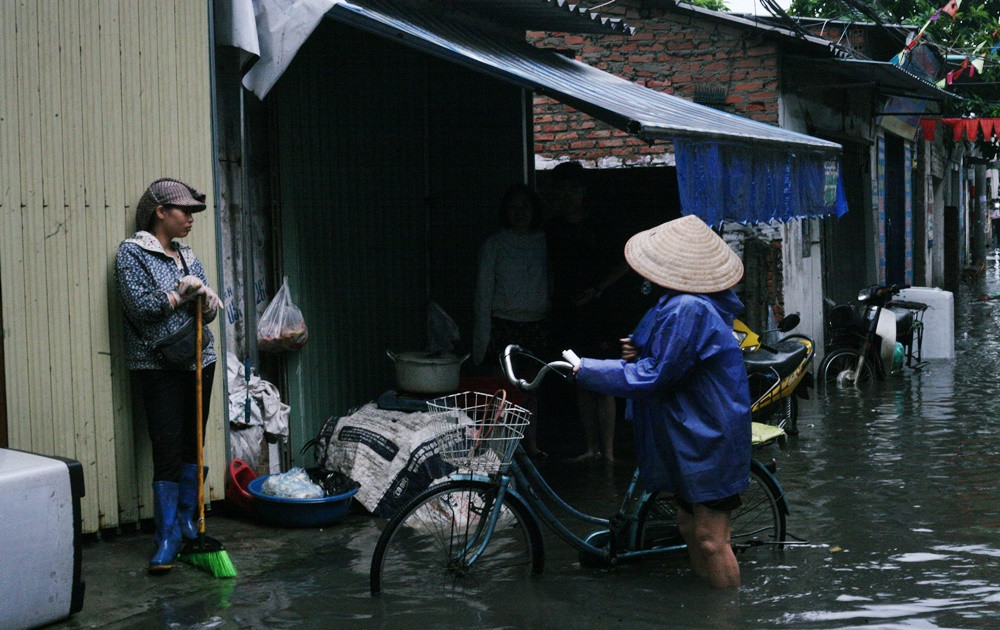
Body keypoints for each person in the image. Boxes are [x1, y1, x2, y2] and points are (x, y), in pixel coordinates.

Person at [572, 215, 752, 588]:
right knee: (690, 527)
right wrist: (640, 350)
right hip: (691, 431)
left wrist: (586, 368)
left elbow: (655, 374)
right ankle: (711, 611)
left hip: (707, 434)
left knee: (711, 538)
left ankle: (730, 615)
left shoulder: (688, 307)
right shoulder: (680, 303)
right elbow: (669, 358)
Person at [114, 178, 223, 573]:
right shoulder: (133, 254)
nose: (191, 219)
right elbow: (141, 309)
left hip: (199, 359)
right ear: (161, 212)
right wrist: (181, 293)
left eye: (194, 213)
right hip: (157, 365)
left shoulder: (187, 255)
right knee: (167, 446)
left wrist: (207, 301)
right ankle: (166, 537)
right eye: (184, 211)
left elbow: (206, 312)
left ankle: (187, 523)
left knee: (194, 444)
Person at [545, 161, 630, 463]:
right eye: (560, 190)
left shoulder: (601, 225)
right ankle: (590, 448)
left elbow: (625, 262)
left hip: (600, 312)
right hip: (569, 313)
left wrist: (598, 290)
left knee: (604, 380)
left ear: (582, 192)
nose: (566, 196)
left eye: (572, 189)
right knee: (579, 377)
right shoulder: (552, 229)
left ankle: (607, 451)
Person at [472, 184, 549, 457]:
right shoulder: (495, 244)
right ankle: (499, 447)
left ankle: (531, 444)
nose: (519, 212)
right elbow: (483, 294)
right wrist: (481, 340)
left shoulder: (543, 243)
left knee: (531, 388)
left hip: (535, 324)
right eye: (513, 207)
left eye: (525, 207)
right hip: (503, 324)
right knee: (499, 390)